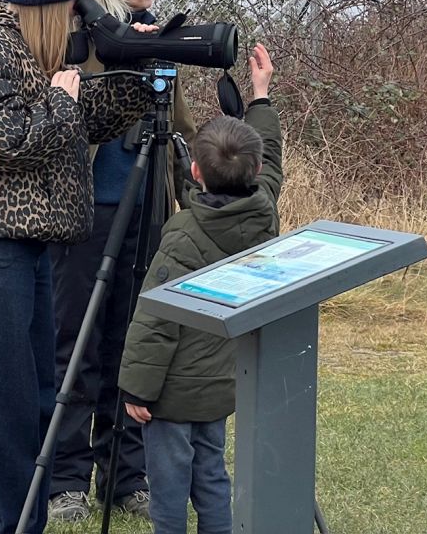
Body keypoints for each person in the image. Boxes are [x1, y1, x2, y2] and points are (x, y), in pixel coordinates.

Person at [0, 0, 155, 534]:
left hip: (28, 248)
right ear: (55, 4)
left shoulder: (40, 54)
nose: (85, 18)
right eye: (78, 6)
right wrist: (61, 100)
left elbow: (86, 123)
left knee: (33, 402)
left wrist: (138, 68)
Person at [47, 0, 198, 523]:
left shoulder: (155, 38)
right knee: (75, 346)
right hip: (84, 214)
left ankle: (126, 477)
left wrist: (203, 202)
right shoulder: (71, 39)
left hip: (147, 210)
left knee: (134, 346)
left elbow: (179, 128)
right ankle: (65, 480)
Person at [118, 44, 282, 534]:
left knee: (168, 486)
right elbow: (271, 159)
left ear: (193, 172)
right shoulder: (263, 213)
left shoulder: (184, 235)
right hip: (221, 385)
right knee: (212, 476)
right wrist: (260, 96)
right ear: (255, 172)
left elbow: (156, 318)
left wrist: (137, 387)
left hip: (172, 395)